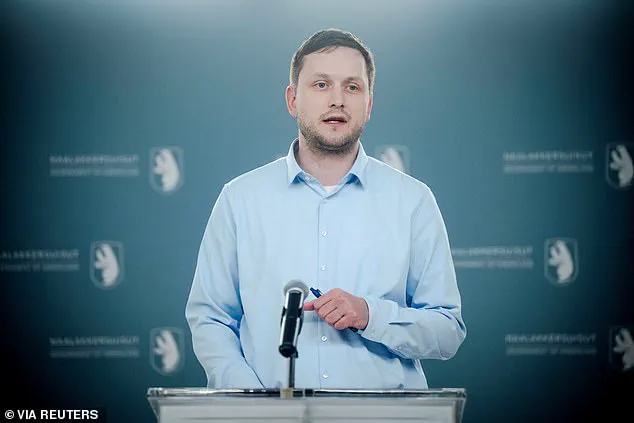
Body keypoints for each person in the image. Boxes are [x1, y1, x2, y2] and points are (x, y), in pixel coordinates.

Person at [185, 28, 466, 389]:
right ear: (292, 100)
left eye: (352, 87)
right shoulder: (240, 199)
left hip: (384, 414)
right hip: (270, 415)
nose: (337, 100)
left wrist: (371, 315)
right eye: (321, 85)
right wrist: (250, 399)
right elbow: (211, 319)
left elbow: (447, 330)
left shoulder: (413, 200)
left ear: (369, 104)